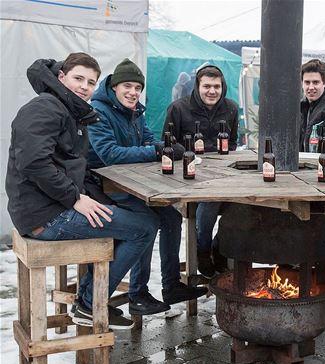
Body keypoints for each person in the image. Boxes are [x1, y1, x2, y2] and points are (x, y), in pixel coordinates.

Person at [5, 53, 160, 329]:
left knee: (136, 218)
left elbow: (75, 168)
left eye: (91, 82)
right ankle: (90, 305)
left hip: (52, 205)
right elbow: (33, 163)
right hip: (44, 215)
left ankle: (90, 300)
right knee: (145, 226)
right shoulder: (45, 107)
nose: (84, 87)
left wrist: (95, 199)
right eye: (78, 78)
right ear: (61, 77)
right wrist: (75, 199)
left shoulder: (71, 112)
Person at [88, 58, 207, 316]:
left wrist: (165, 144)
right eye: (127, 86)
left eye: (137, 88)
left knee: (172, 218)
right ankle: (137, 294)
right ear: (114, 87)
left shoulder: (134, 111)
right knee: (147, 221)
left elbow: (147, 137)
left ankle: (171, 285)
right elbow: (110, 154)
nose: (133, 92)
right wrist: (155, 151)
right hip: (104, 188)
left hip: (130, 184)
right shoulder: (98, 112)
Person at [163, 65, 239, 277]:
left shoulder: (231, 108)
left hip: (223, 175)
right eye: (207, 86)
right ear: (197, 86)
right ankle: (203, 249)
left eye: (216, 86)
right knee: (211, 197)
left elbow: (232, 143)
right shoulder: (178, 108)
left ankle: (220, 245)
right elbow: (166, 143)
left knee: (248, 202)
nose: (212, 91)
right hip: (187, 179)